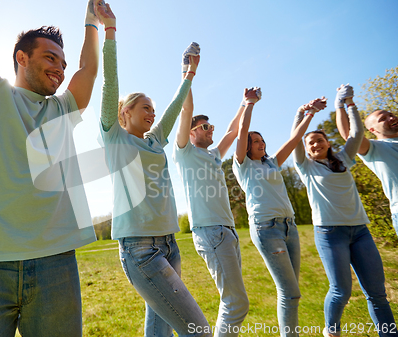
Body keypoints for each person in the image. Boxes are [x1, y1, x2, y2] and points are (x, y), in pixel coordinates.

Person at [0, 0, 103, 335]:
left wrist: (92, 22)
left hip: (55, 262)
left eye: (62, 62)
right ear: (21, 58)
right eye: (50, 58)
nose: (60, 68)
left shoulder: (63, 110)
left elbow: (88, 70)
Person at [97, 5, 211, 336]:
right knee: (198, 330)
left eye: (153, 110)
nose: (152, 113)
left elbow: (175, 109)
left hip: (168, 244)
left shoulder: (154, 142)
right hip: (140, 249)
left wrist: (188, 75)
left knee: (159, 328)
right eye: (145, 108)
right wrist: (110, 32)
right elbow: (110, 82)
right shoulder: (114, 138)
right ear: (125, 111)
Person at [293, 86, 396, 337]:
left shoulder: (344, 159)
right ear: (306, 150)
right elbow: (295, 139)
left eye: (319, 139)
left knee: (377, 292)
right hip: (330, 233)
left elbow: (356, 132)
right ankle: (332, 330)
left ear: (328, 142)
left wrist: (349, 104)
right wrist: (301, 114)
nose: (315, 144)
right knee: (341, 290)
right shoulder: (306, 168)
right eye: (310, 143)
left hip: (360, 231)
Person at [233, 88, 327, 337]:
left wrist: (311, 114)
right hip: (267, 229)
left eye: (262, 140)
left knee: (292, 291)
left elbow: (295, 139)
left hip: (290, 228)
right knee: (290, 292)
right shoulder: (243, 166)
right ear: (246, 147)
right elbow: (242, 131)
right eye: (255, 141)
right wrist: (249, 103)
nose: (260, 143)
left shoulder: (272, 162)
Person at [172, 66, 248, 336]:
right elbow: (185, 111)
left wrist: (244, 104)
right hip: (211, 232)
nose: (211, 129)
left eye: (210, 126)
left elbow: (231, 131)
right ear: (191, 132)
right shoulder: (185, 152)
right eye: (205, 126)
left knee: (235, 301)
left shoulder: (214, 155)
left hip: (227, 232)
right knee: (236, 302)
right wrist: (188, 72)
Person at [335, 84, 398, 236]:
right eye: (383, 119)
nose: (391, 118)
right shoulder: (376, 149)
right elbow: (350, 136)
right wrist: (343, 104)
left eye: (390, 114)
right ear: (373, 130)